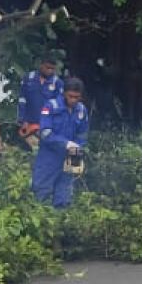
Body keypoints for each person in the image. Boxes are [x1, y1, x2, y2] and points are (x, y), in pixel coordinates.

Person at [32, 78, 89, 208]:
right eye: (71, 96)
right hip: (49, 157)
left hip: (71, 156)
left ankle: (60, 222)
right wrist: (65, 144)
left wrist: (78, 150)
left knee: (64, 194)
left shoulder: (81, 110)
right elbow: (45, 133)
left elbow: (82, 134)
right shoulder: (51, 106)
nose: (73, 100)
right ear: (64, 93)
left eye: (77, 97)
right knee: (41, 192)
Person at [17, 56, 63, 150]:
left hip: (47, 125)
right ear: (41, 65)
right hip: (29, 124)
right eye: (47, 67)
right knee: (28, 150)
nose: (50, 71)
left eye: (52, 69)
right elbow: (22, 100)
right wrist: (22, 119)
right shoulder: (28, 78)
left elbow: (59, 105)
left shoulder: (57, 83)